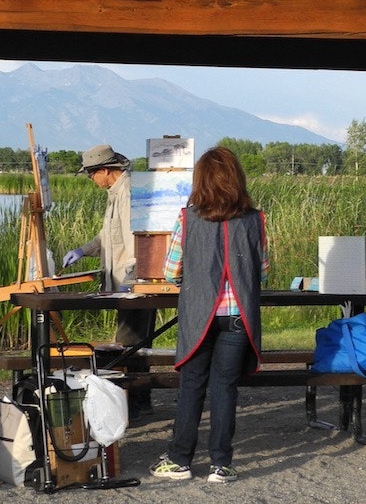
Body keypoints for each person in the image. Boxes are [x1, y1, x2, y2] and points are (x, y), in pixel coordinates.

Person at [149, 146, 268, 483]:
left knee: (191, 388)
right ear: (237, 180)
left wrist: (197, 277)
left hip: (199, 314)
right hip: (238, 317)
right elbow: (263, 272)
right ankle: (221, 464)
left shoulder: (187, 218)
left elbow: (171, 271)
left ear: (200, 181)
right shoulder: (255, 220)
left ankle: (180, 460)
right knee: (225, 388)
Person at [62, 143, 156, 417]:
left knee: (131, 344)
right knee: (132, 342)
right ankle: (138, 400)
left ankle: (137, 402)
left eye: (92, 174)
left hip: (133, 286)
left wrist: (131, 281)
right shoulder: (114, 193)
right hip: (123, 285)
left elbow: (136, 242)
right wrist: (83, 251)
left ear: (105, 169)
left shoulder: (127, 193)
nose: (91, 180)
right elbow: (107, 237)